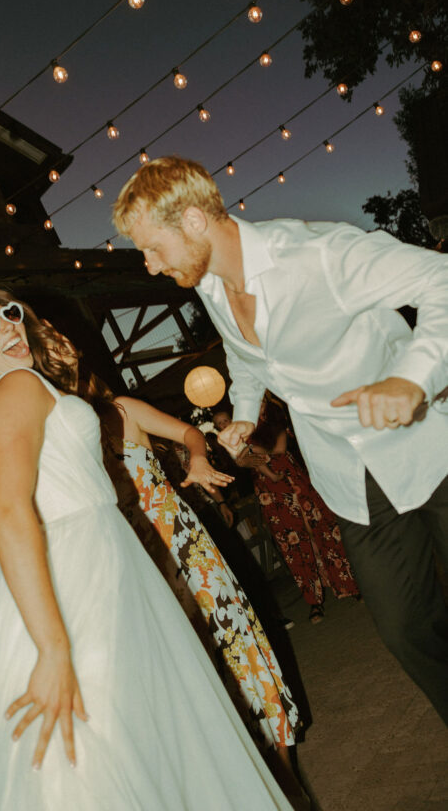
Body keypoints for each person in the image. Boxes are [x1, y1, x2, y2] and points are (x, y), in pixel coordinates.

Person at [113, 154, 448, 724]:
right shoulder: (210, 286)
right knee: (405, 629)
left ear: (194, 221)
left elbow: (441, 280)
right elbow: (248, 356)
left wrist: (411, 377)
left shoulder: (321, 254)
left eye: (152, 247)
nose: (148, 265)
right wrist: (244, 411)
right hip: (349, 481)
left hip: (428, 449)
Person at [0, 287, 292, 810]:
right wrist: (53, 646)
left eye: (10, 314)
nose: (7, 325)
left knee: (145, 737)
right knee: (114, 746)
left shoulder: (29, 383)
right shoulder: (14, 386)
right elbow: (10, 512)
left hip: (103, 556)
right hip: (80, 569)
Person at [82, 376, 304, 801]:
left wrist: (198, 459)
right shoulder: (59, 444)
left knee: (236, 646)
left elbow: (187, 433)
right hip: (131, 563)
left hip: (181, 545)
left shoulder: (122, 410)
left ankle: (287, 784)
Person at [239, 422, 359, 622]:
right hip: (271, 493)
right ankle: (314, 601)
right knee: (294, 545)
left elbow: (280, 448)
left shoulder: (274, 421)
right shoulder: (241, 432)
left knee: (322, 531)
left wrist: (255, 450)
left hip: (293, 480)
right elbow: (242, 460)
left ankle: (348, 585)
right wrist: (247, 456)